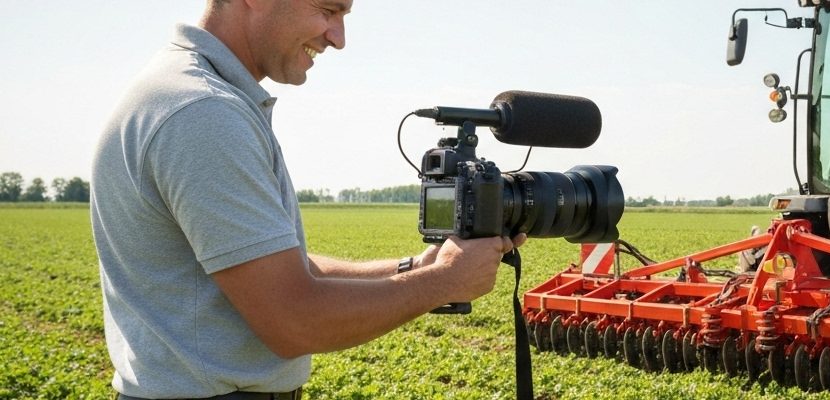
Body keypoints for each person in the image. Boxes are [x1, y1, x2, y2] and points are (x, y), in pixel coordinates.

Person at [90, 1, 523, 398]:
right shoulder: (204, 112)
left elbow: (280, 271)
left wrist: (418, 266)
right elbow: (292, 319)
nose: (338, 38)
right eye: (327, 10)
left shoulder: (185, 90)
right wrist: (445, 281)